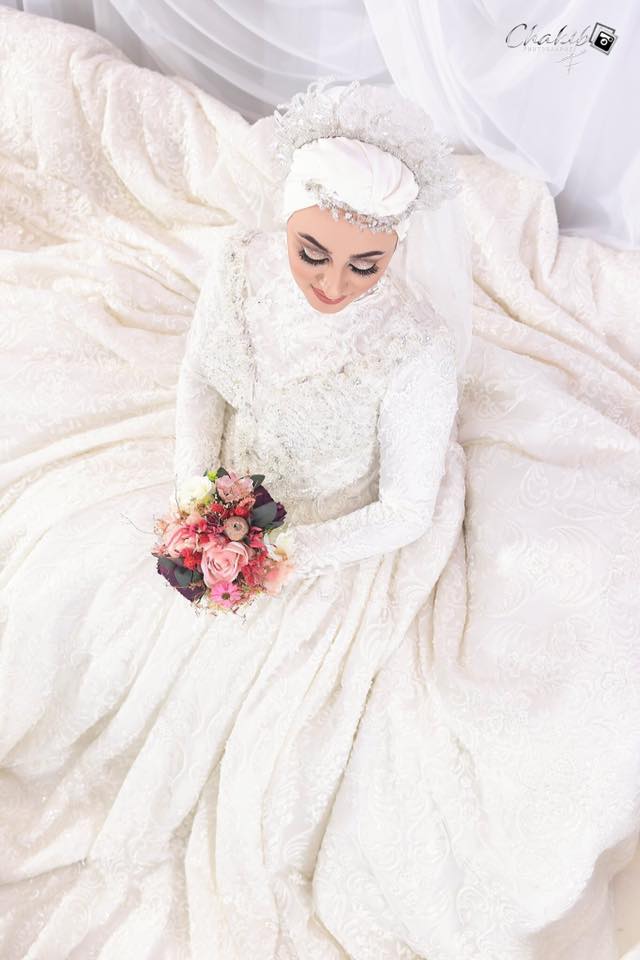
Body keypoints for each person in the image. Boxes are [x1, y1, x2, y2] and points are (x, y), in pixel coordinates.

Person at [0, 79, 470, 958]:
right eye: (313, 252)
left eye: (366, 266)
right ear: (285, 221)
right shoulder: (240, 267)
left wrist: (283, 555)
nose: (333, 283)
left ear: (396, 253)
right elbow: (201, 380)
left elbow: (406, 507)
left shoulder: (414, 352)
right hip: (223, 489)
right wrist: (196, 494)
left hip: (326, 530)